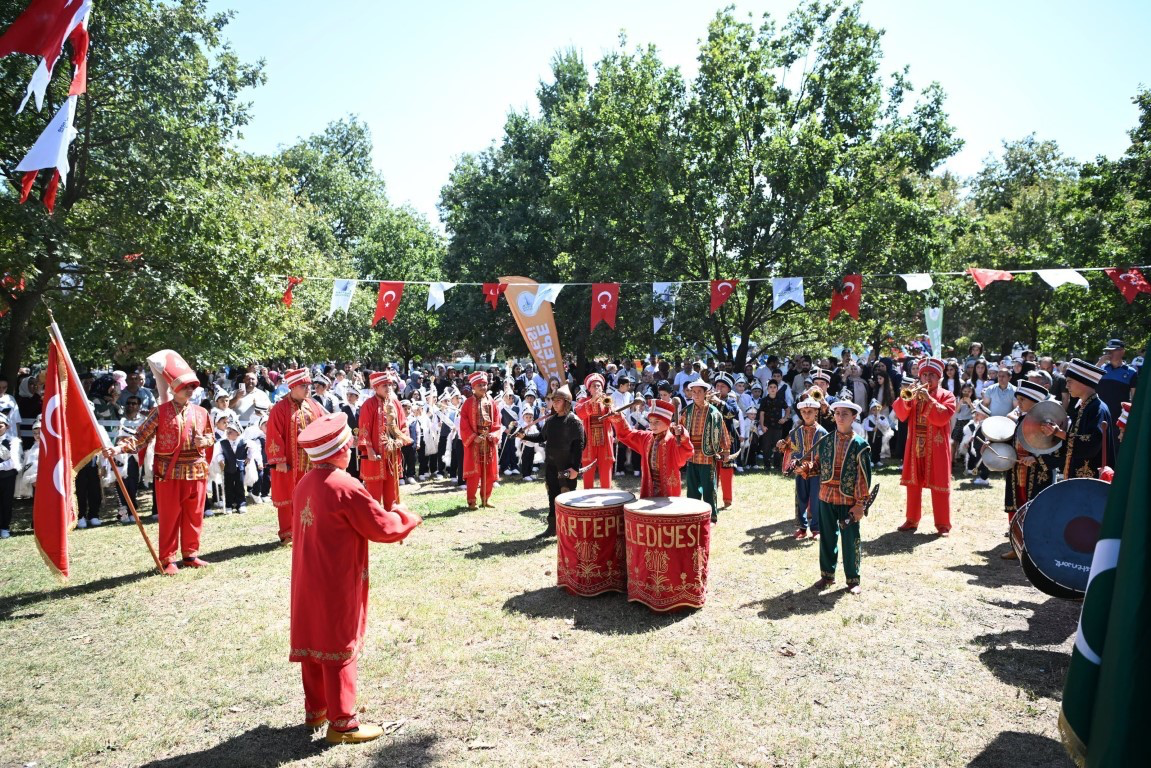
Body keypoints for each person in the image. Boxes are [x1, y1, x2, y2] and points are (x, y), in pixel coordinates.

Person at [289, 411, 421, 744]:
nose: (351, 449)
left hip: (308, 578)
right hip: (336, 578)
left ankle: (316, 710)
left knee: (314, 640)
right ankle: (342, 723)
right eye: (348, 445)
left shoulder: (305, 482)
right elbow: (382, 527)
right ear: (338, 450)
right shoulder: (345, 485)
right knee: (337, 643)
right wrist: (406, 516)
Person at [108, 351, 213, 574]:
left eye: (192, 386)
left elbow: (211, 437)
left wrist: (204, 440)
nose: (190, 390)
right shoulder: (160, 412)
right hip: (169, 472)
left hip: (196, 471)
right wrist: (118, 448)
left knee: (194, 515)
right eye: (186, 386)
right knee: (169, 517)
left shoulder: (202, 412)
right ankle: (168, 559)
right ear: (175, 389)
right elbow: (140, 437)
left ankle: (191, 554)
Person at [808, 399, 872, 594]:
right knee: (827, 537)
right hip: (826, 497)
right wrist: (805, 468)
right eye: (837, 413)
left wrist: (860, 504)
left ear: (854, 417)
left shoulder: (860, 445)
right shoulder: (825, 441)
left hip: (848, 501)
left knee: (851, 538)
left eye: (845, 414)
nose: (840, 417)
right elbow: (817, 466)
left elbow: (863, 478)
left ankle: (853, 579)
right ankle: (827, 575)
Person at [892, 358, 957, 536]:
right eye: (924, 375)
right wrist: (906, 399)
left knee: (940, 484)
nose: (927, 378)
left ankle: (943, 525)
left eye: (932, 375)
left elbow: (943, 417)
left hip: (936, 445)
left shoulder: (947, 395)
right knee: (913, 483)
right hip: (915, 443)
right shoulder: (913, 392)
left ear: (939, 377)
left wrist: (929, 400)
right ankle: (911, 520)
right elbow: (901, 414)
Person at [267, 368, 327, 545]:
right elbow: (273, 435)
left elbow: (324, 423)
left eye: (309, 385)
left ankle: (309, 529)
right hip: (289, 463)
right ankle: (288, 533)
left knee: (311, 495)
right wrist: (279, 460)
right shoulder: (280, 409)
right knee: (287, 496)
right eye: (303, 385)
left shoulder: (313, 404)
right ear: (292, 387)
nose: (308, 388)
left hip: (311, 462)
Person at [1000, 381, 1059, 560]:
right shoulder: (1020, 419)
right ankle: (1017, 546)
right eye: (1018, 399)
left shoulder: (1048, 423)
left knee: (1034, 509)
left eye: (1022, 399)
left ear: (1034, 402)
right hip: (1018, 471)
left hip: (1037, 473)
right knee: (1017, 507)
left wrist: (1035, 459)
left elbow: (1057, 452)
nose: (1018, 403)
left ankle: (1034, 550)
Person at [516, 385, 585, 537]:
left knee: (566, 497)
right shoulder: (552, 421)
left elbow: (579, 446)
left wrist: (575, 468)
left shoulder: (574, 422)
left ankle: (568, 530)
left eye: (558, 400)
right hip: (551, 466)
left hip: (566, 467)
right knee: (552, 496)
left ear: (566, 402)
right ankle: (552, 527)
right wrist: (524, 437)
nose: (554, 403)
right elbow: (542, 437)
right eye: (553, 400)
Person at [608, 398, 692, 497]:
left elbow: (686, 453)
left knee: (668, 511)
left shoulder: (673, 440)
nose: (652, 425)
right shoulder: (646, 438)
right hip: (650, 484)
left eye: (657, 422)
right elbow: (627, 434)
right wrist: (618, 417)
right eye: (651, 421)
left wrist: (682, 434)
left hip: (669, 487)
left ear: (668, 422)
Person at [1048, 359, 1116, 479]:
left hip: (1090, 480)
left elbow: (1092, 442)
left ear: (1083, 382)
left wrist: (1059, 433)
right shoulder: (1083, 407)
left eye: (1069, 381)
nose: (1066, 385)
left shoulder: (1097, 408)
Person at [778, 394, 826, 540]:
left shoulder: (822, 433)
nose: (806, 415)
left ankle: (817, 529)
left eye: (809, 411)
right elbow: (790, 448)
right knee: (800, 500)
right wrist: (782, 445)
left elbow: (824, 457)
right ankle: (802, 528)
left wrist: (809, 466)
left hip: (816, 473)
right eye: (804, 412)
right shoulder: (795, 431)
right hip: (799, 472)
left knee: (816, 500)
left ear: (816, 412)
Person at [359, 371, 410, 505]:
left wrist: (400, 440)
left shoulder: (396, 404)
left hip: (392, 455)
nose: (389, 388)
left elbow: (403, 425)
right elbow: (364, 430)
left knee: (392, 492)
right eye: (384, 385)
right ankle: (373, 522)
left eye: (390, 385)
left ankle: (392, 519)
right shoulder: (368, 405)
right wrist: (369, 449)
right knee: (373, 494)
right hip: (375, 456)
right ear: (375, 388)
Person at [681, 379, 726, 523]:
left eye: (699, 392)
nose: (695, 394)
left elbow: (723, 431)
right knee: (692, 486)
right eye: (693, 392)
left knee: (708, 487)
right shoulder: (687, 411)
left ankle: (711, 516)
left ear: (706, 393)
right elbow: (679, 428)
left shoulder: (714, 412)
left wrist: (726, 450)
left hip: (707, 454)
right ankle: (692, 514)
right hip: (691, 454)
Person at [459, 371, 501, 509]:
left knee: (488, 472)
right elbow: (463, 423)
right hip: (474, 442)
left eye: (484, 384)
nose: (483, 387)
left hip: (488, 441)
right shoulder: (467, 403)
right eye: (480, 385)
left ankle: (486, 498)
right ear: (473, 387)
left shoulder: (492, 402)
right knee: (474, 473)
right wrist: (473, 437)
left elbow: (497, 422)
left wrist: (493, 434)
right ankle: (471, 501)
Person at [574, 373, 615, 489]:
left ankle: (607, 495)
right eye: (594, 386)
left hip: (604, 440)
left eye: (599, 386)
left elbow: (613, 417)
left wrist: (610, 408)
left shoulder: (607, 400)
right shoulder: (582, 401)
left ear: (602, 388)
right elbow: (580, 413)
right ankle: (587, 494)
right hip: (589, 440)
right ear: (589, 389)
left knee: (606, 468)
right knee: (588, 469)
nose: (597, 388)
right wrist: (592, 400)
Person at [212, 421, 255, 515]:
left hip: (240, 468)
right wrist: (220, 460)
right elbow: (218, 453)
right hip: (228, 468)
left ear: (238, 433)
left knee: (240, 486)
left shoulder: (244, 441)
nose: (228, 433)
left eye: (231, 431)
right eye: (227, 431)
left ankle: (241, 504)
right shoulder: (222, 443)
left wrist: (249, 457)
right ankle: (229, 505)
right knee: (228, 487)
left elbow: (252, 448)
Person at [712, 373, 741, 507]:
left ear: (728, 389)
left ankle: (727, 500)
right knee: (712, 470)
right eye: (717, 385)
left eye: (722, 386)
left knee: (726, 470)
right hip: (711, 439)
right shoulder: (709, 400)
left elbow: (732, 413)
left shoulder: (731, 400)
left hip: (727, 440)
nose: (719, 388)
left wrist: (720, 403)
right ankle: (711, 498)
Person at [1097, 339, 1138, 423]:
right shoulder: (1101, 368)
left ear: (1122, 352)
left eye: (1113, 350)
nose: (1109, 353)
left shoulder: (1131, 372)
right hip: (1099, 414)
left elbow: (1134, 397)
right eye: (1108, 351)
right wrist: (1099, 363)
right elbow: (1088, 380)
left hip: (1119, 418)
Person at [0, 413, 22, 539]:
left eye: (0, 425)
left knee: (6, 502)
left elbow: (14, 461)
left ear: (7, 426)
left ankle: (4, 527)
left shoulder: (13, 441)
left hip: (7, 477)